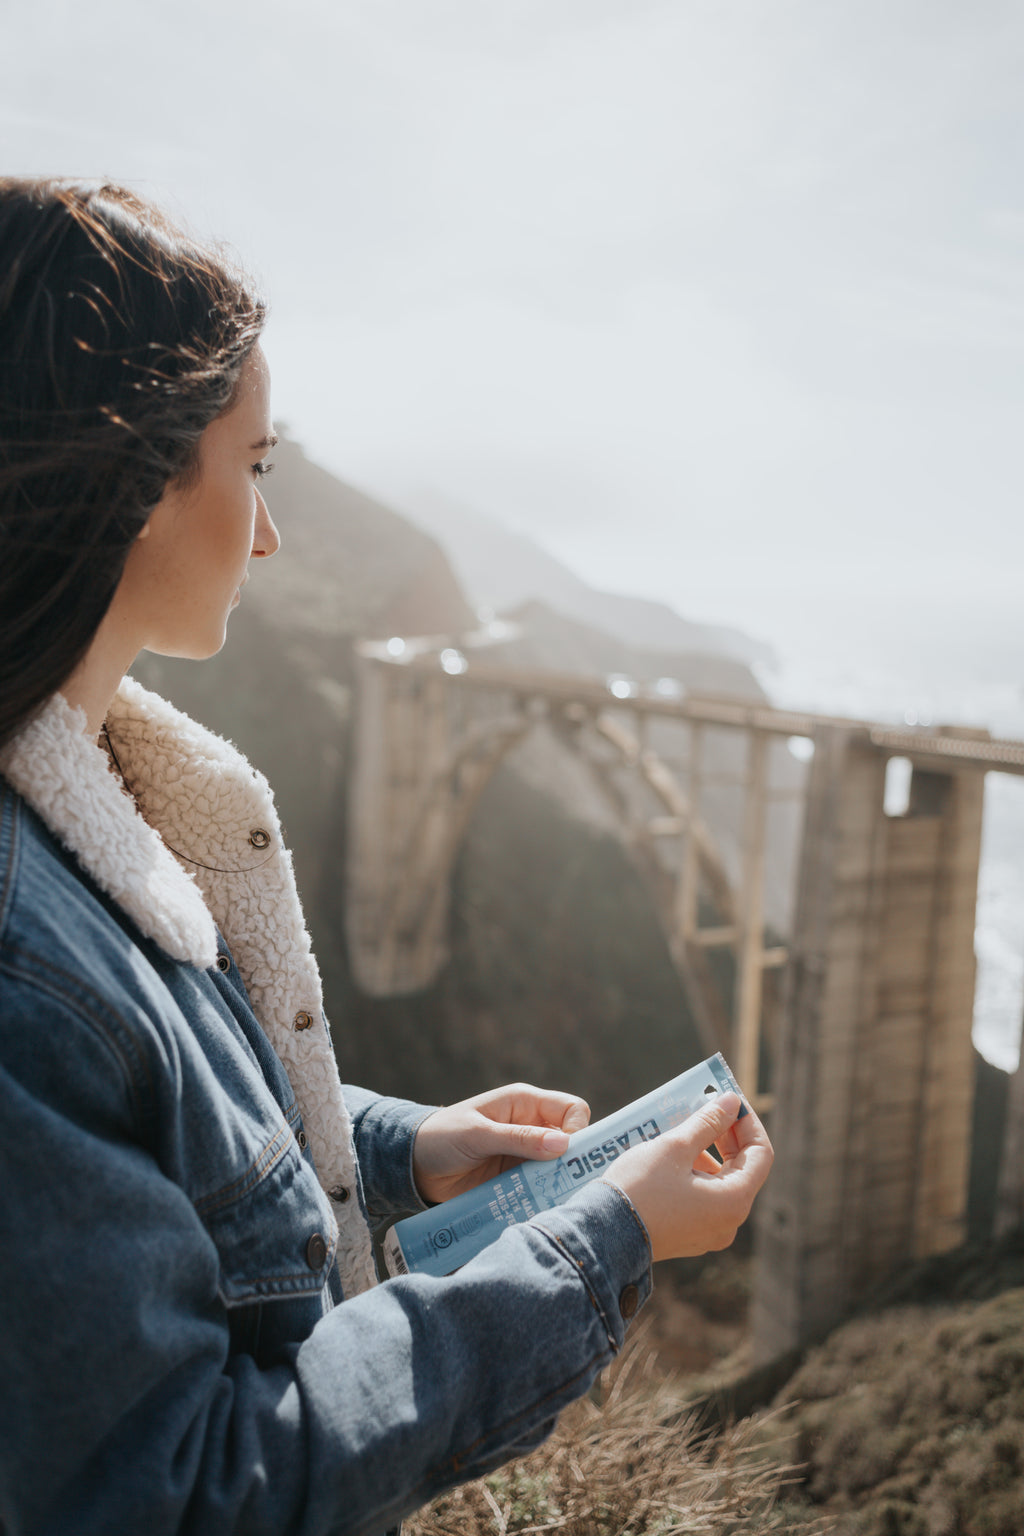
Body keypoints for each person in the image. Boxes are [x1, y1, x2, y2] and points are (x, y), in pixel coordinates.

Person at [0, 177, 774, 1536]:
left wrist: (408, 1149)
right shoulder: (22, 958)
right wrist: (604, 1241)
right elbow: (190, 1495)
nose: (276, 529)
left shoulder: (93, 815)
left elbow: (154, 1119)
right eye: (255, 468)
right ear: (132, 483)